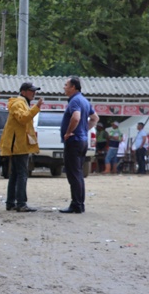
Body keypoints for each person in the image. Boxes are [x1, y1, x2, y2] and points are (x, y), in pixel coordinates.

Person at [0, 82, 43, 212]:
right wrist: (37, 107)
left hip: (19, 144)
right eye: (31, 91)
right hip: (18, 145)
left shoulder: (22, 103)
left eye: (34, 91)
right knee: (22, 174)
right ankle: (21, 203)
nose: (33, 93)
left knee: (15, 174)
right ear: (23, 92)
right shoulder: (19, 103)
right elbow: (23, 119)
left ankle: (11, 202)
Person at [60, 76, 99, 214]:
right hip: (82, 140)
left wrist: (69, 132)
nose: (64, 87)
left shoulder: (75, 101)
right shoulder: (84, 100)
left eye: (66, 85)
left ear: (73, 87)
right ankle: (79, 204)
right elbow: (95, 118)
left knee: (73, 174)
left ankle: (76, 204)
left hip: (74, 141)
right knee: (78, 173)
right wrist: (84, 129)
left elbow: (75, 117)